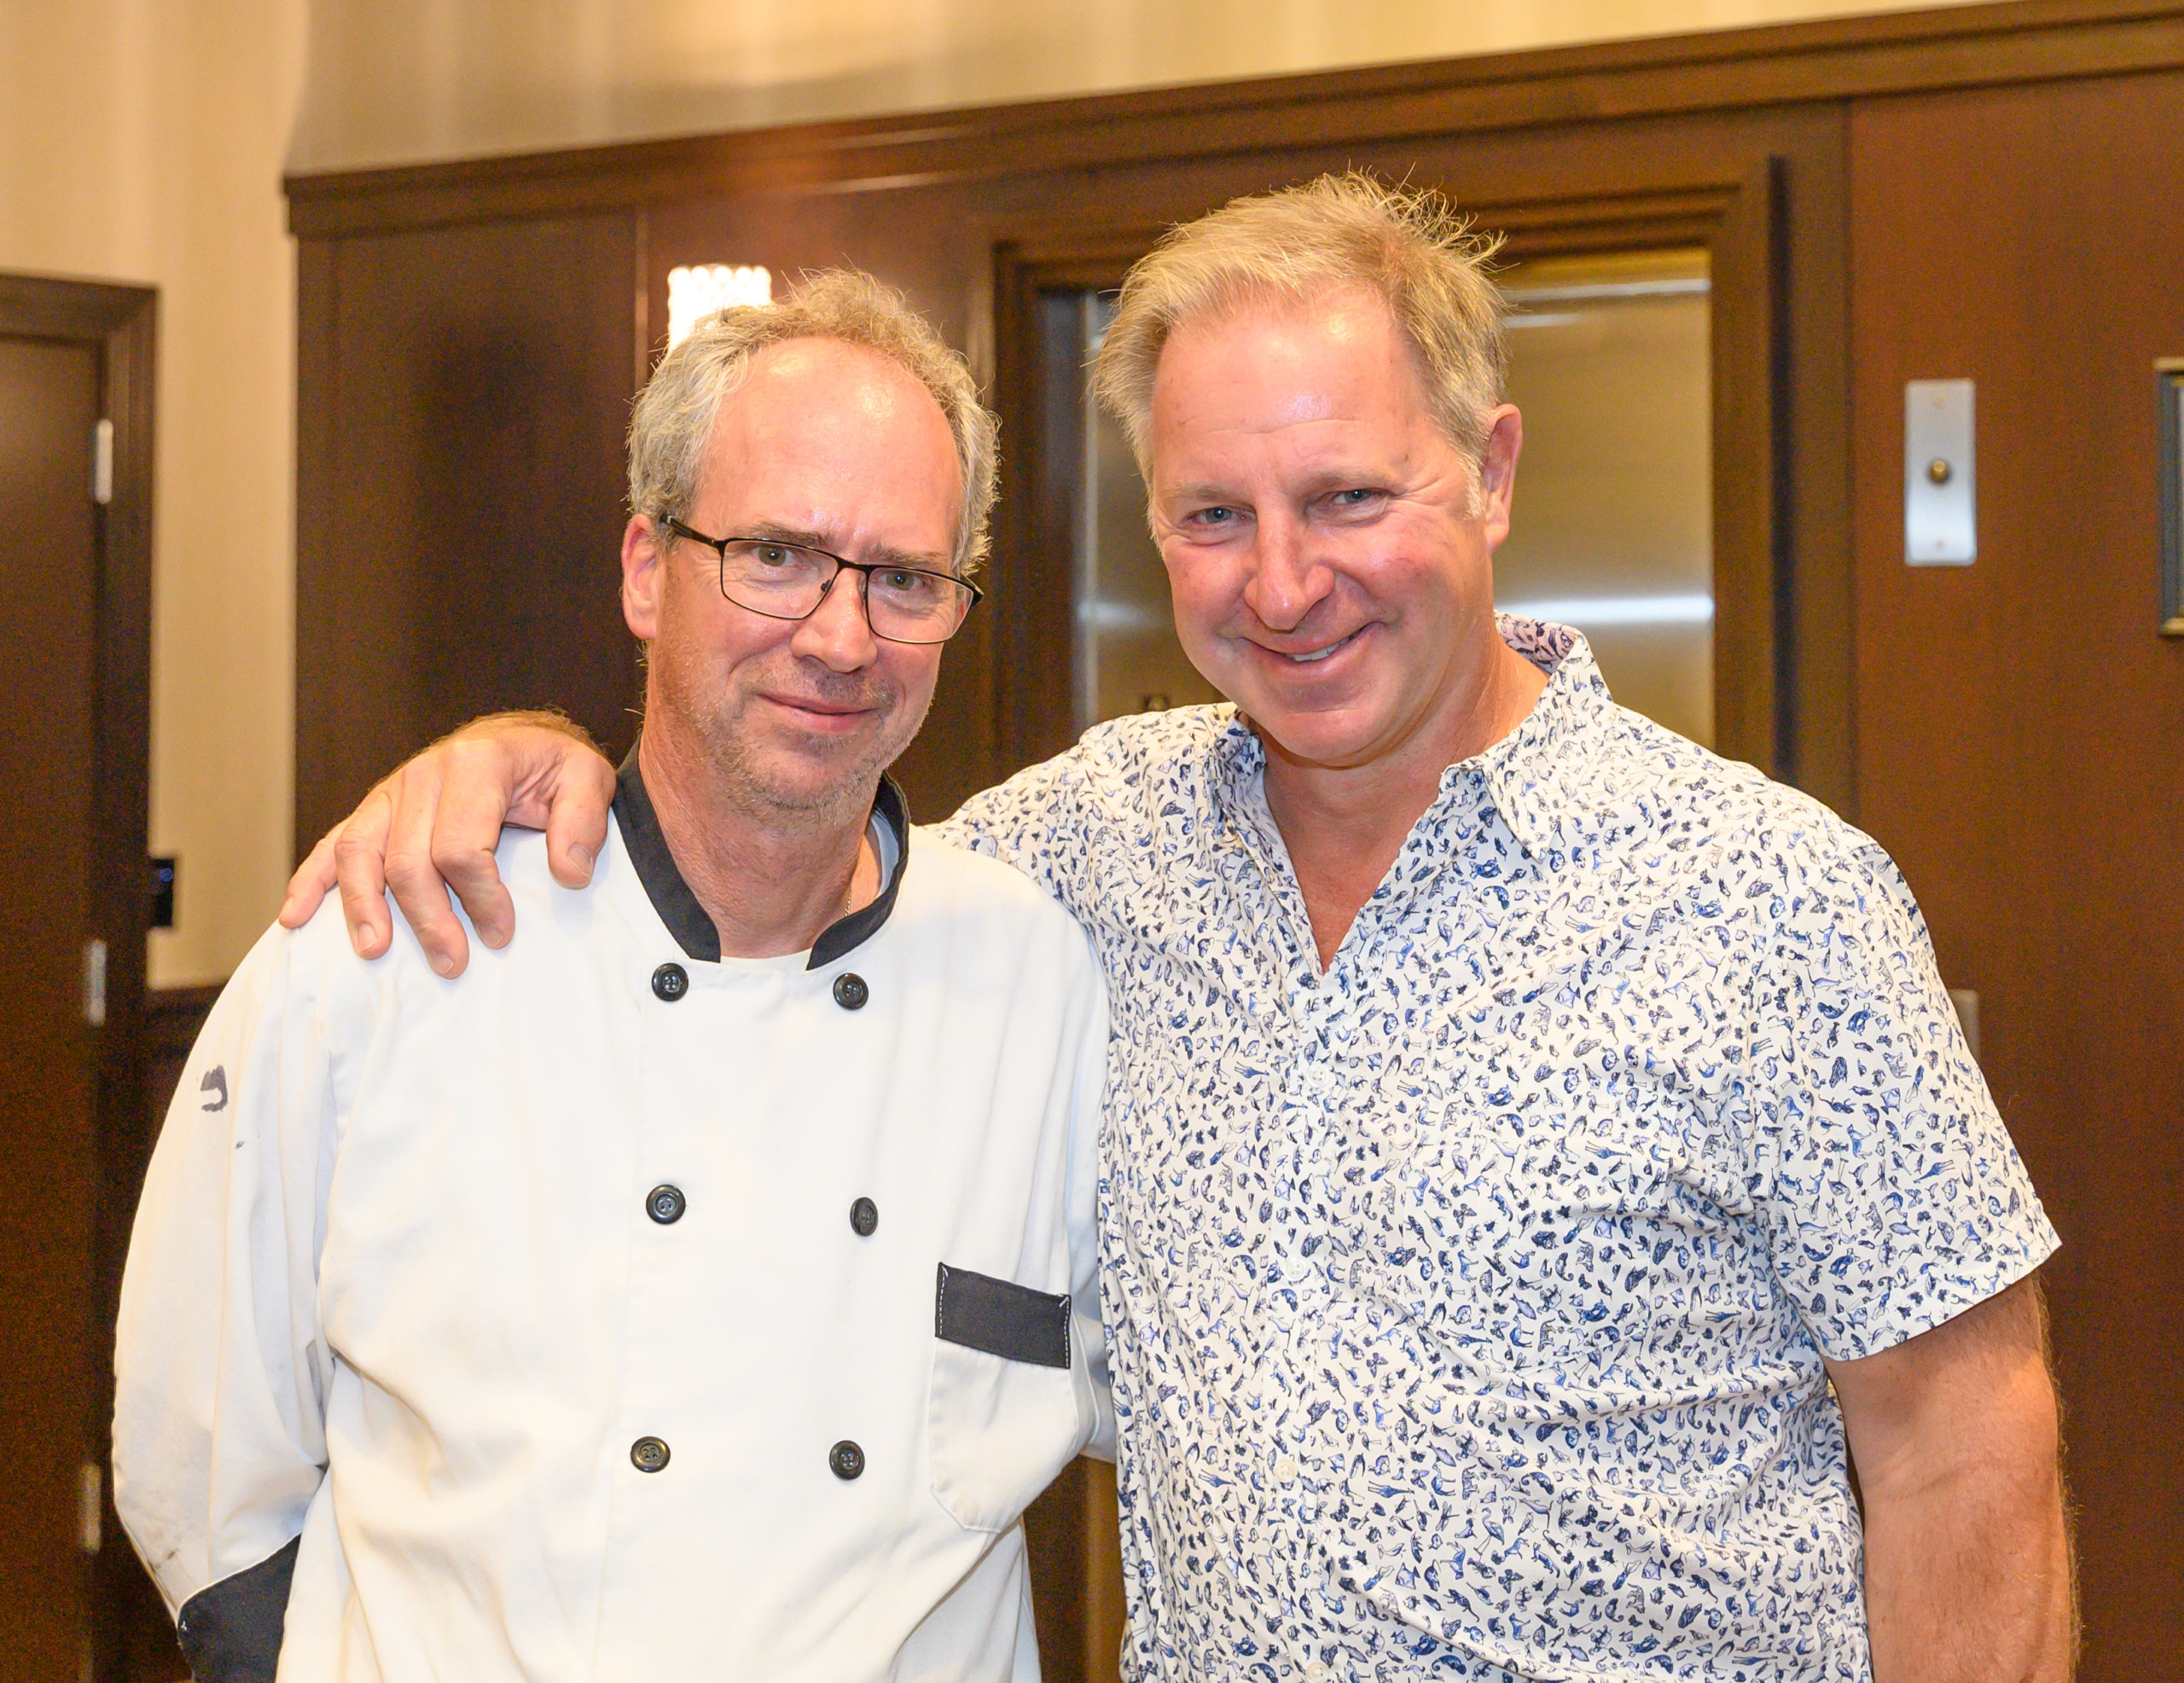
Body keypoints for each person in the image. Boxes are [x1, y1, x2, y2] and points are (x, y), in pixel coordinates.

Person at [286, 176, 2076, 1682]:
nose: (1282, 583)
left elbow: (1960, 1452)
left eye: (1347, 499)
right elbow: (776, 862)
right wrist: (513, 761)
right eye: (1214, 516)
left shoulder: (1772, 901)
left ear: (1490, 470)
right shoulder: (1078, 854)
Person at [114, 271, 1113, 1683]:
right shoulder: (386, 940)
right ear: (647, 568)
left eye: (903, 578)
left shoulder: (1046, 982)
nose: (840, 636)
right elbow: (202, 1462)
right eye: (774, 554)